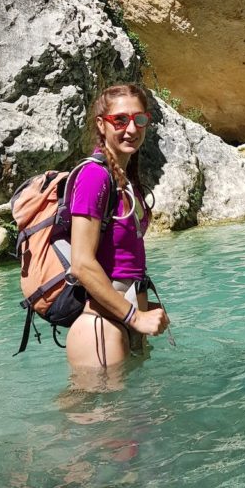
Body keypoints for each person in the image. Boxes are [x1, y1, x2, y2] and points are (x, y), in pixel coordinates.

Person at [65, 83, 169, 371]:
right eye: (120, 120)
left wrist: (142, 311)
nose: (132, 129)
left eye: (139, 119)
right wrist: (136, 318)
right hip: (101, 327)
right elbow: (82, 264)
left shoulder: (123, 177)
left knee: (137, 415)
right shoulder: (93, 177)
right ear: (101, 124)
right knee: (101, 415)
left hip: (124, 318)